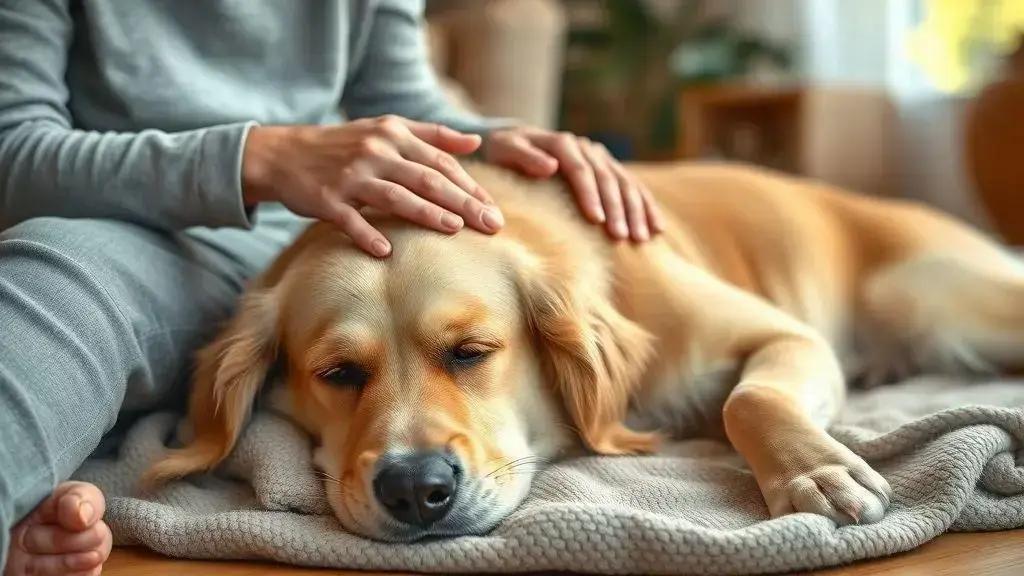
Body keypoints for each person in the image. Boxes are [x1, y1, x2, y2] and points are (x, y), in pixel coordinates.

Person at [0, 1, 662, 574]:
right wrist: (259, 158)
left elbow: (398, 103)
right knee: (51, 278)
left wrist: (501, 141)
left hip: (340, 230)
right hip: (128, 229)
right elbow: (13, 154)